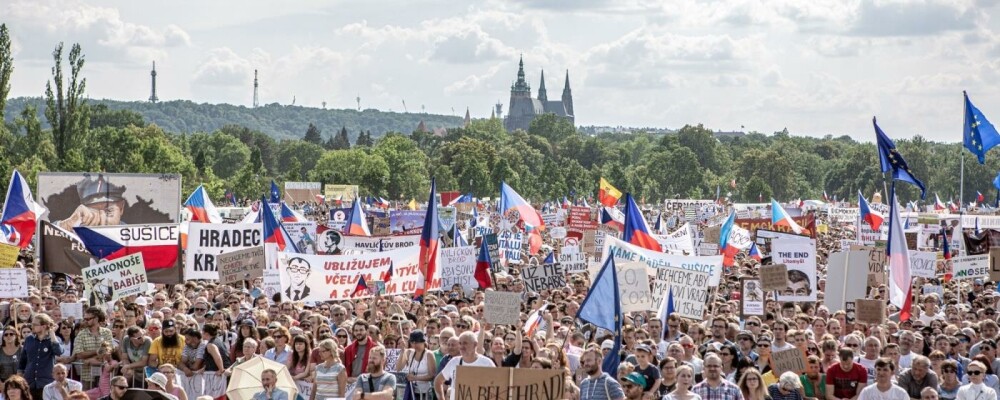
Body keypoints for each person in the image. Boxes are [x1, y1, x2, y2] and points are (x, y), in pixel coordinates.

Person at [435, 332, 494, 400]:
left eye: (465, 343)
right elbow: (438, 381)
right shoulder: (454, 362)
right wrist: (441, 398)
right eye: (460, 343)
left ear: (475, 344)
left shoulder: (486, 363)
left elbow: (497, 384)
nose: (462, 347)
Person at [19, 313, 63, 400]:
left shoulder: (53, 339)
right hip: (29, 381)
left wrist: (52, 333)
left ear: (44, 326)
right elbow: (23, 359)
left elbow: (59, 351)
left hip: (45, 382)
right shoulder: (29, 339)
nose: (32, 326)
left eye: (35, 324)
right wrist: (20, 374)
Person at [71, 307, 114, 390]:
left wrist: (91, 360)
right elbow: (79, 354)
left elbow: (109, 351)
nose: (85, 321)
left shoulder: (107, 332)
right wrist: (97, 352)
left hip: (104, 374)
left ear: (96, 318)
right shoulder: (81, 334)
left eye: (88, 319)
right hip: (87, 375)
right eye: (85, 319)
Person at [396, 330, 436, 400]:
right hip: (411, 391)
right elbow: (398, 368)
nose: (414, 344)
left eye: (417, 342)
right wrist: (402, 351)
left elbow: (432, 376)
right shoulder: (409, 352)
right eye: (412, 342)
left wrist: (415, 378)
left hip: (424, 393)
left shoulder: (429, 354)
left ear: (423, 342)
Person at [201, 323, 230, 399]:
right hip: (216, 374)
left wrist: (221, 370)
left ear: (206, 333)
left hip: (216, 376)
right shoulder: (218, 340)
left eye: (202, 332)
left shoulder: (211, 345)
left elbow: (218, 357)